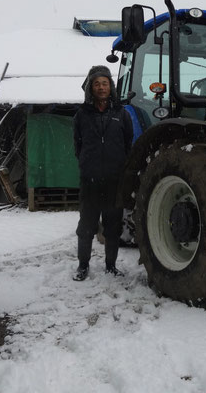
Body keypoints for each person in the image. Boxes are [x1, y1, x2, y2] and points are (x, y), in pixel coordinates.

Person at [72, 65, 133, 281]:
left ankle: (110, 265)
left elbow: (128, 143)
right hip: (90, 181)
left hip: (114, 181)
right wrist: (88, 165)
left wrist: (117, 165)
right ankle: (82, 266)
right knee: (86, 227)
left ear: (111, 87)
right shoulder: (82, 115)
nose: (101, 87)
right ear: (91, 87)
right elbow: (77, 145)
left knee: (113, 227)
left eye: (104, 83)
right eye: (97, 83)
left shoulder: (121, 114)